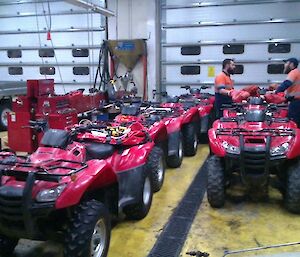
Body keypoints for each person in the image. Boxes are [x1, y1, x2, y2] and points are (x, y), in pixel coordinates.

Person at [275, 58, 300, 126]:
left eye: (286, 63)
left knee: (293, 123)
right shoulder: (297, 72)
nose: (285, 65)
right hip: (296, 101)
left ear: (291, 64)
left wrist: (276, 92)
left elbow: (286, 83)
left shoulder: (294, 72)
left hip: (296, 103)